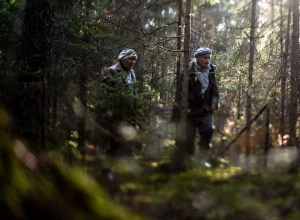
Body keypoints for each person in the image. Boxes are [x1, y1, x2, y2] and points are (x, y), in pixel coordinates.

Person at [100, 48, 139, 156]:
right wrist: (109, 109)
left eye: (134, 59)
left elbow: (134, 91)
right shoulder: (111, 70)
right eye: (130, 59)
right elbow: (104, 92)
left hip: (129, 111)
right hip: (115, 112)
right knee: (114, 139)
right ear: (122, 59)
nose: (133, 62)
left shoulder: (132, 73)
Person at [186, 47, 219, 167]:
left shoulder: (211, 71)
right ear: (197, 58)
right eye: (204, 58)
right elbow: (181, 91)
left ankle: (202, 159)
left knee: (208, 130)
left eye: (209, 57)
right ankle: (188, 160)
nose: (207, 60)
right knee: (188, 136)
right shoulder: (188, 71)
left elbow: (214, 89)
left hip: (206, 109)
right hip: (190, 109)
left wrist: (214, 102)